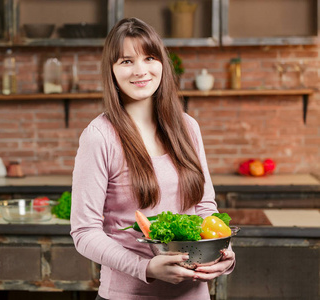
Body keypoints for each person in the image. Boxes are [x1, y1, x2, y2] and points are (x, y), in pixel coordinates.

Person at [70, 17, 235, 300]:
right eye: (126, 61)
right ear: (111, 70)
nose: (141, 70)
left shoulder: (187, 127)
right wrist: (145, 267)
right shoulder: (99, 137)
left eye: (149, 57)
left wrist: (222, 251)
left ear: (162, 64)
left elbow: (204, 206)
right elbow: (84, 232)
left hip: (194, 294)